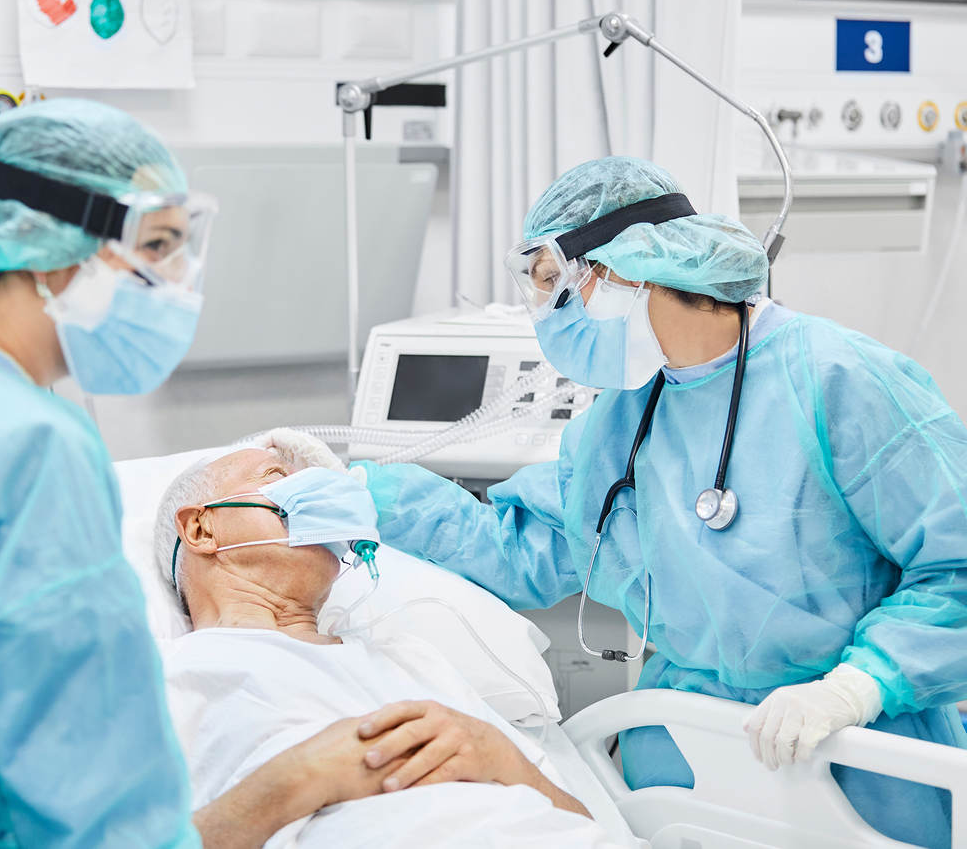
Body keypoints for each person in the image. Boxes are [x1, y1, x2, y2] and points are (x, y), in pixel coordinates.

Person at [0, 99, 369, 849]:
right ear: (48, 243)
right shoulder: (27, 447)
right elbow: (99, 798)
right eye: (156, 246)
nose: (178, 283)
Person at [351, 156, 967, 849]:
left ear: (625, 269)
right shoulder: (620, 421)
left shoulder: (840, 382)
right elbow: (528, 549)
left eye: (554, 282)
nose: (543, 313)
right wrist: (358, 494)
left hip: (862, 757)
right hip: (686, 762)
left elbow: (957, 566)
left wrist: (857, 686)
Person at [157, 442, 631, 848]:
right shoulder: (166, 681)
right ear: (201, 529)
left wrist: (498, 754)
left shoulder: (410, 659)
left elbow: (585, 823)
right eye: (277, 476)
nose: (320, 499)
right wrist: (298, 778)